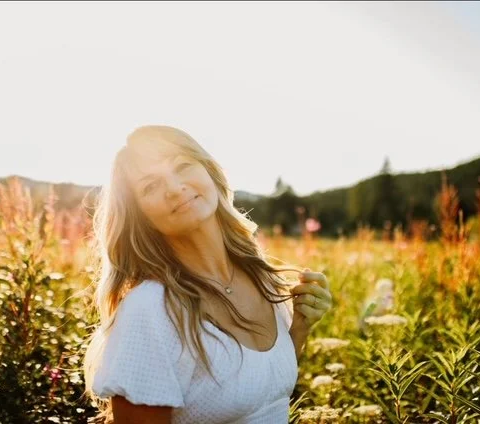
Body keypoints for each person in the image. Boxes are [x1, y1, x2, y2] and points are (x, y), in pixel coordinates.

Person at [83, 125, 332, 424]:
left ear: (209, 172)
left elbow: (264, 390)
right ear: (140, 216)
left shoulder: (261, 278)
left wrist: (299, 328)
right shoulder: (151, 309)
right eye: (150, 186)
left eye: (182, 166)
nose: (174, 188)